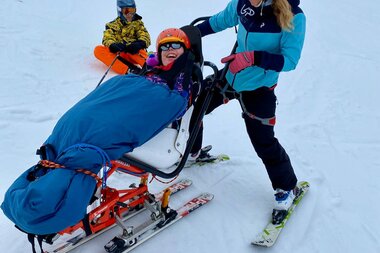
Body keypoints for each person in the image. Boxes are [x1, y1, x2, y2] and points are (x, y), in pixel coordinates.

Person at [1, 27, 199, 245]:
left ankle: (57, 199)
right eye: (165, 46)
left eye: (176, 46)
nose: (170, 50)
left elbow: (172, 103)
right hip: (106, 111)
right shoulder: (149, 72)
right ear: (158, 52)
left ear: (186, 52)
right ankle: (51, 182)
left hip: (142, 118)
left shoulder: (183, 78)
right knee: (70, 130)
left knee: (83, 145)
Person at [191, 0, 306, 220]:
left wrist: (253, 57)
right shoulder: (241, 3)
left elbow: (290, 60)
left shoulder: (293, 15)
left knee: (263, 141)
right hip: (230, 76)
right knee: (196, 104)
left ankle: (287, 187)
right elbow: (218, 22)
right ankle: (193, 151)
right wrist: (189, 34)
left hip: (259, 87)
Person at [94, 0, 151, 74]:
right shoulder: (112, 25)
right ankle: (128, 70)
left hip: (133, 52)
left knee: (140, 51)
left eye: (132, 10)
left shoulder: (138, 24)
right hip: (119, 54)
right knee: (98, 50)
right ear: (120, 10)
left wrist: (140, 43)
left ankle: (149, 68)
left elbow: (144, 35)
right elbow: (107, 37)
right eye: (126, 11)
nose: (129, 14)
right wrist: (113, 45)